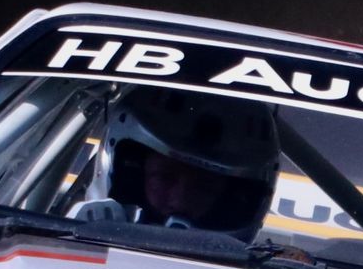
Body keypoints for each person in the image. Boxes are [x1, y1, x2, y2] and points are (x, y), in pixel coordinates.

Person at [69, 86, 280, 241]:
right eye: (165, 177)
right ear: (132, 172)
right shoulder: (58, 243)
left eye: (204, 187)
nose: (180, 200)